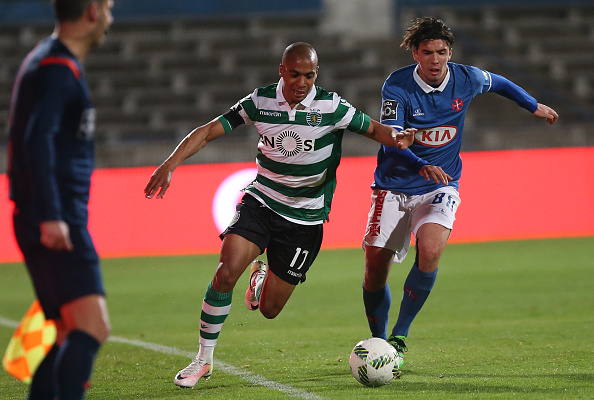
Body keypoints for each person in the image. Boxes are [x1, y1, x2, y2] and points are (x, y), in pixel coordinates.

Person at [144, 42, 450, 388]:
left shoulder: (331, 106)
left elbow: (376, 130)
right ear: (281, 71)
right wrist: (170, 164)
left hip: (304, 222)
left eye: (309, 75)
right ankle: (203, 359)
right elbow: (209, 130)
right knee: (226, 271)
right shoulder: (260, 101)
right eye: (294, 74)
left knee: (271, 309)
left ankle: (261, 279)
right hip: (261, 202)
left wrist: (399, 137)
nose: (301, 82)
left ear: (316, 74)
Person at [361, 16, 559, 369]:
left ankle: (399, 337)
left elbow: (500, 82)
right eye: (427, 53)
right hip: (393, 186)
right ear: (415, 54)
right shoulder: (398, 86)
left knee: (431, 249)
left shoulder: (467, 77)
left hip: (441, 185)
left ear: (449, 51)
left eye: (441, 52)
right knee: (375, 269)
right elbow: (391, 139)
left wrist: (532, 105)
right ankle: (377, 340)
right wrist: (419, 160)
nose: (435, 60)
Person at [7, 0, 114, 398]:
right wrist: (52, 215)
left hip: (45, 213)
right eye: (108, 8)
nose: (109, 18)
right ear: (91, 12)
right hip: (56, 217)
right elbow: (37, 140)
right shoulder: (57, 69)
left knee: (66, 329)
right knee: (91, 328)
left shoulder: (49, 61)